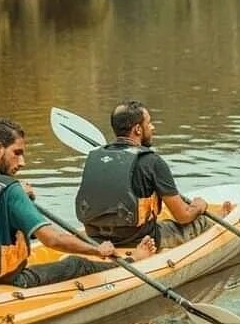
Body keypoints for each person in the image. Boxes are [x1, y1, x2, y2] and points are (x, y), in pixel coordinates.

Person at [0, 117, 156, 291]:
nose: (22, 162)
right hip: (5, 281)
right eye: (17, 153)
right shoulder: (10, 190)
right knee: (76, 265)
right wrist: (96, 249)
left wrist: (19, 195)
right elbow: (52, 240)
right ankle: (134, 259)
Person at [75, 100, 232, 249]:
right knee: (200, 221)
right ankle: (220, 221)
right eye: (149, 123)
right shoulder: (152, 161)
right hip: (139, 240)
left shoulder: (94, 158)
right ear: (137, 129)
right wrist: (199, 206)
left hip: (97, 238)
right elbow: (182, 216)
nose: (152, 127)